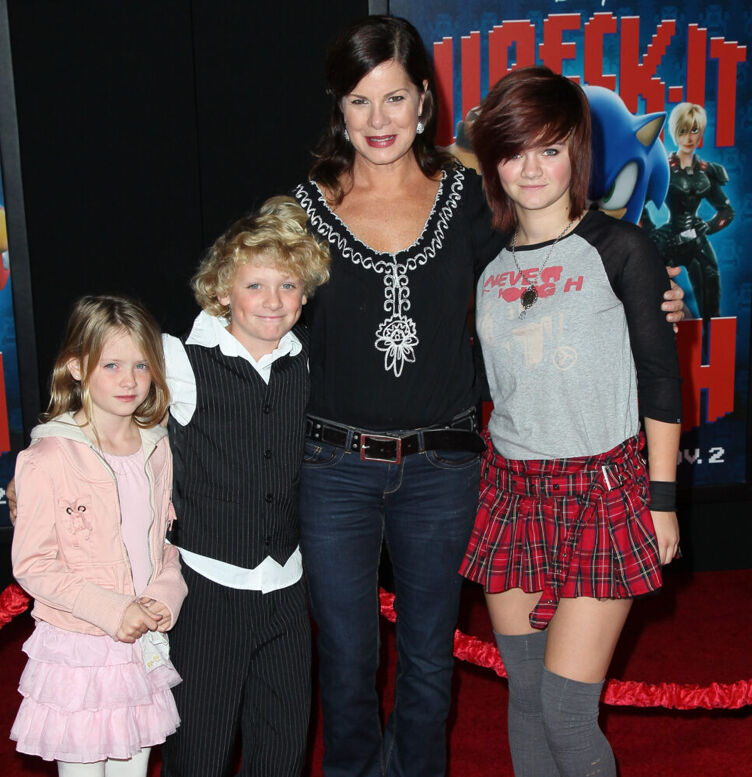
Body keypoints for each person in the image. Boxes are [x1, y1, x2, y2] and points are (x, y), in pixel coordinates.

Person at [292, 16, 685, 777]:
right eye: (362, 102)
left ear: (425, 105)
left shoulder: (470, 202)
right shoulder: (312, 211)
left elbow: (585, 273)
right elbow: (258, 302)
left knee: (461, 678)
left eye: (397, 98)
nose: (380, 120)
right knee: (361, 667)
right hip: (383, 471)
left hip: (469, 474)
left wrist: (656, 299)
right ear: (338, 108)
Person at [460, 66, 683, 777]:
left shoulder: (620, 248)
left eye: (550, 149)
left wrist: (663, 498)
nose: (532, 168)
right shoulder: (483, 262)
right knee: (524, 697)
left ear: (577, 156)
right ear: (495, 158)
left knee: (565, 710)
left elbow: (660, 378)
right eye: (515, 150)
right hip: (510, 491)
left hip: (601, 491)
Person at [159, 196, 330, 777]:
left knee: (283, 742)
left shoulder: (308, 360)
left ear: (304, 294)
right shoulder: (179, 361)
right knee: (199, 746)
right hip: (208, 585)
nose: (273, 300)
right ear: (222, 291)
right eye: (255, 285)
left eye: (287, 285)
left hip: (288, 583)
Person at [10, 295, 188, 777]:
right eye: (111, 365)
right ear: (76, 367)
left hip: (142, 643)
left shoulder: (158, 448)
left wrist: (164, 595)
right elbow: (33, 566)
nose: (129, 380)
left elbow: (165, 543)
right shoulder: (48, 457)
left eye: (141, 365)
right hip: (81, 645)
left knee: (133, 769)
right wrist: (114, 611)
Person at [646, 102, 734, 320]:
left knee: (711, 303)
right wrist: (653, 234)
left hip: (697, 240)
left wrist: (708, 226)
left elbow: (726, 210)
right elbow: (637, 204)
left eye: (694, 130)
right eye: (683, 131)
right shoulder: (662, 169)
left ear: (701, 132)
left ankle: (711, 347)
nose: (689, 137)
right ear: (675, 133)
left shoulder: (707, 172)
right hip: (668, 241)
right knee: (654, 300)